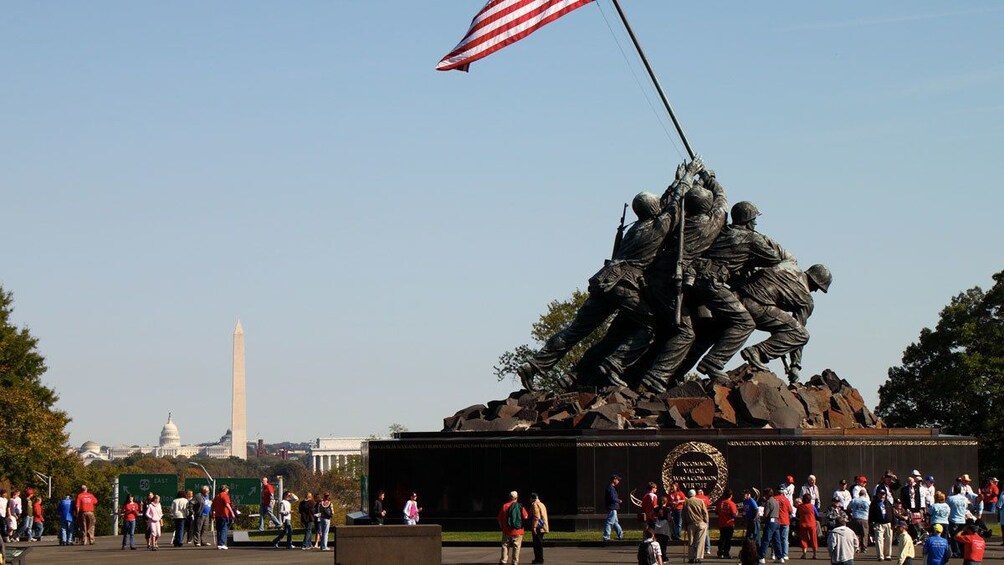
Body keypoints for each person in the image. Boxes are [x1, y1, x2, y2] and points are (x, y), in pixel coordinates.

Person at [518, 160, 701, 391]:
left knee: (576, 330)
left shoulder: (637, 227)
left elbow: (667, 203)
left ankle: (535, 364)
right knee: (650, 324)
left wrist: (677, 180)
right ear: (655, 210)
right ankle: (613, 365)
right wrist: (689, 176)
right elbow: (674, 208)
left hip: (604, 280)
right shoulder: (658, 227)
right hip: (624, 284)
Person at [498, 491, 528, 565]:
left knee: (505, 545)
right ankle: (515, 562)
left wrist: (502, 526)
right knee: (516, 547)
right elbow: (526, 516)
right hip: (518, 530)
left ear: (509, 497)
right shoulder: (520, 506)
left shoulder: (505, 506)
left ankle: (503, 561)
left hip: (506, 530)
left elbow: (499, 518)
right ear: (517, 497)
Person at [683, 488, 709, 564]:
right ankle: (697, 557)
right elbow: (705, 512)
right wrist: (706, 521)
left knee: (691, 541)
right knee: (700, 541)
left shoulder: (686, 502)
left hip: (690, 524)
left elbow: (683, 515)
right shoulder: (700, 501)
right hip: (701, 523)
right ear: (695, 494)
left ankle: (691, 558)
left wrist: (684, 525)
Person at [759, 487, 782, 563]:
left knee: (766, 540)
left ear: (767, 494)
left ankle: (762, 557)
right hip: (777, 521)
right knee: (777, 540)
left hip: (770, 521)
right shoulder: (776, 501)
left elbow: (766, 514)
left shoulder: (768, 502)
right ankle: (779, 557)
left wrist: (762, 520)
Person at [870, 489, 894, 561]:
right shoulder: (874, 503)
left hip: (888, 523)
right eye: (880, 494)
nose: (882, 495)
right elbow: (871, 514)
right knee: (879, 540)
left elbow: (892, 513)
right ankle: (880, 556)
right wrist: (871, 524)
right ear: (878, 494)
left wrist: (893, 523)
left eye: (883, 494)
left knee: (889, 540)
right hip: (878, 523)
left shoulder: (888, 503)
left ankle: (888, 555)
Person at [210, 485, 235, 550]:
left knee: (219, 530)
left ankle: (219, 544)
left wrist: (212, 514)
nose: (228, 490)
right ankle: (222, 543)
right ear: (225, 489)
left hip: (217, 515)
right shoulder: (225, 495)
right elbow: (227, 504)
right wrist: (232, 512)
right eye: (227, 489)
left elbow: (212, 506)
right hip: (224, 515)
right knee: (224, 529)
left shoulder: (217, 496)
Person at [947, 486, 970, 557]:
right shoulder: (965, 499)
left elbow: (947, 507)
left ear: (954, 490)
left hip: (954, 519)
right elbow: (967, 506)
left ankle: (956, 552)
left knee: (954, 537)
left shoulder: (951, 498)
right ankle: (962, 552)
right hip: (962, 520)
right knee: (962, 536)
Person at [717, 488, 739, 559]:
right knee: (728, 540)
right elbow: (734, 515)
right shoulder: (732, 504)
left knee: (722, 538)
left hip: (721, 524)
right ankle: (726, 553)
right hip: (729, 524)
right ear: (731, 496)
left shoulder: (720, 503)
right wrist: (737, 513)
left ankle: (720, 553)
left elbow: (716, 512)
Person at [528, 492, 548, 565]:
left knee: (537, 544)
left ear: (532, 498)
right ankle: (539, 559)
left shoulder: (534, 504)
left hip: (538, 527)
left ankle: (539, 559)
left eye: (530, 498)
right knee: (539, 543)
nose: (529, 500)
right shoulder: (541, 504)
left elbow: (536, 517)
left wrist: (534, 527)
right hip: (542, 526)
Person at [603, 474, 624, 541]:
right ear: (614, 480)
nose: (618, 481)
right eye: (618, 480)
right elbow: (613, 498)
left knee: (614, 523)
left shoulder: (611, 488)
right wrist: (619, 500)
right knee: (609, 522)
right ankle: (606, 537)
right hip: (612, 507)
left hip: (613, 507)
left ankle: (620, 534)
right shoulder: (610, 488)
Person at [796, 493, 818, 559]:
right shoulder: (812, 506)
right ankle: (814, 554)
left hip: (803, 523)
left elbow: (797, 515)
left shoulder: (800, 506)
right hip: (811, 523)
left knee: (803, 539)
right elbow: (817, 514)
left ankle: (804, 553)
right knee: (813, 539)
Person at [654, 495, 672, 560]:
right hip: (664, 526)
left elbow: (653, 515)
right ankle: (664, 557)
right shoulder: (667, 509)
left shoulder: (656, 509)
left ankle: (658, 556)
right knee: (664, 544)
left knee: (658, 542)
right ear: (666, 502)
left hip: (657, 526)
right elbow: (669, 518)